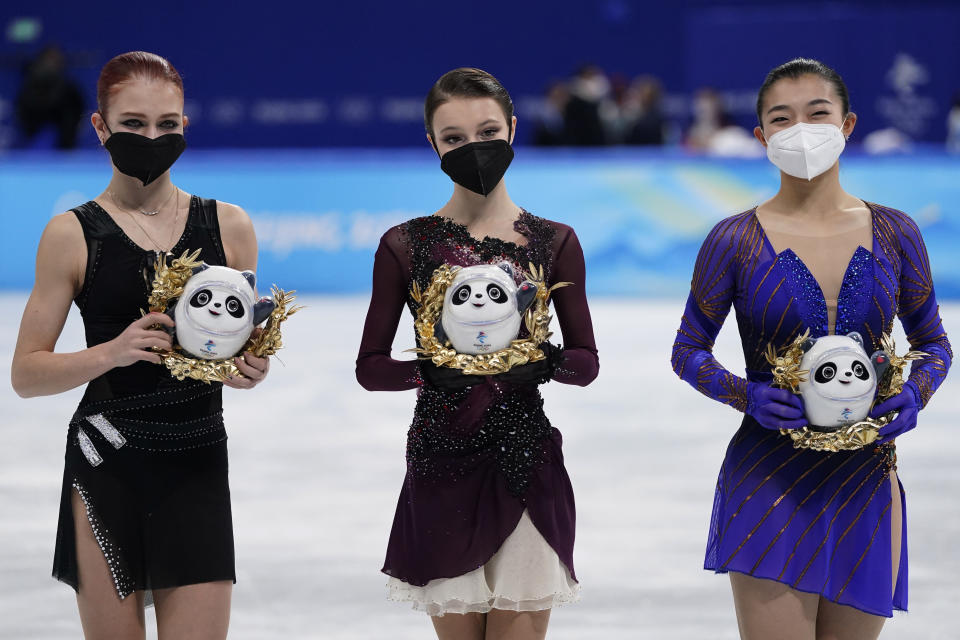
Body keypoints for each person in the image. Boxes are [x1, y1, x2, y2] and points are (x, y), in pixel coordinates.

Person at [671, 58, 951, 640]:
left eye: (816, 113)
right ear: (761, 137)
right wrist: (746, 395)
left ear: (847, 125)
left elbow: (933, 344)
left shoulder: (897, 233)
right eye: (782, 117)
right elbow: (688, 351)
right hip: (768, 476)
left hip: (866, 475)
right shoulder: (733, 240)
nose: (801, 128)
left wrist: (915, 394)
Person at [10, 51, 270, 640]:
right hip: (108, 464)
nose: (152, 137)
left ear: (184, 125)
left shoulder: (229, 227)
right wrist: (112, 351)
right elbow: (26, 374)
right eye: (133, 124)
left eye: (167, 125)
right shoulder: (71, 234)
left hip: (197, 462)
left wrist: (248, 367)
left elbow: (239, 347)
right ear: (99, 127)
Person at [356, 68, 599, 640]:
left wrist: (539, 363)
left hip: (525, 463)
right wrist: (433, 371)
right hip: (442, 463)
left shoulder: (553, 240)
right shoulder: (404, 244)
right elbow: (370, 368)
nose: (474, 148)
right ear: (433, 144)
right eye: (455, 138)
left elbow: (585, 363)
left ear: (512, 130)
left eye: (487, 131)